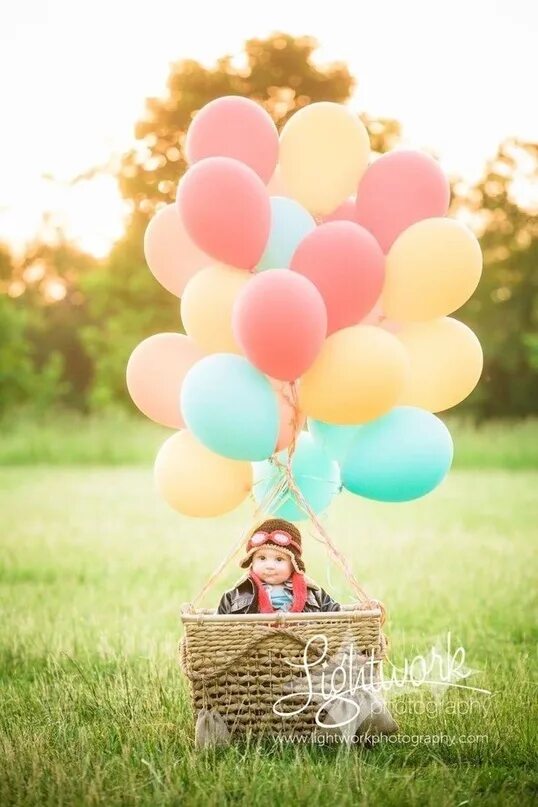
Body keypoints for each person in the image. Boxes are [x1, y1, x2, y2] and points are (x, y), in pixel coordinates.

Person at [217, 518, 341, 614]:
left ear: (293, 564)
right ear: (252, 560)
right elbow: (218, 625)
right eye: (262, 558)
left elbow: (337, 615)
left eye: (279, 559)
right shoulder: (238, 593)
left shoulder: (312, 592)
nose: (270, 566)